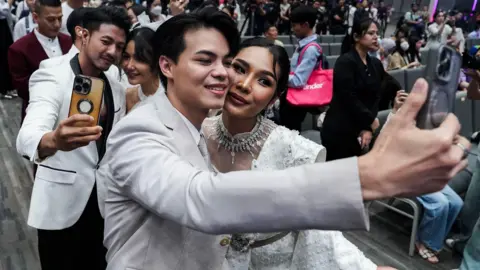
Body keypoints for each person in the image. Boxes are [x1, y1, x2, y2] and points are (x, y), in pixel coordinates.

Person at [103, 9, 470, 270]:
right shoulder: (141, 131)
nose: (224, 76)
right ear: (167, 65)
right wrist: (368, 175)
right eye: (205, 60)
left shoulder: (196, 127)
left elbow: (314, 235)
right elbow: (200, 198)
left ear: (277, 95)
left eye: (225, 62)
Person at [202, 37, 395, 270]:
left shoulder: (293, 151)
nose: (244, 84)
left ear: (274, 97)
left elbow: (318, 231)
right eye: (239, 69)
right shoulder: (194, 132)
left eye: (263, 81)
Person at [16, 6, 130, 270]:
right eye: (106, 41)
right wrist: (54, 140)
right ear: (83, 35)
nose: (113, 51)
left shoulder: (115, 84)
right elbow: (28, 135)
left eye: (119, 46)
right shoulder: (51, 75)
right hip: (60, 207)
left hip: (104, 207)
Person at [322, 18, 384, 160]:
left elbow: (376, 96)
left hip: (359, 128)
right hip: (340, 129)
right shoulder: (345, 61)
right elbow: (348, 97)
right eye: (370, 33)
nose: (376, 37)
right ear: (356, 37)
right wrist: (370, 120)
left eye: (377, 33)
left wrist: (367, 126)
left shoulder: (374, 63)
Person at [8, 0, 72, 122]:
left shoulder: (69, 42)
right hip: (38, 117)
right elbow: (23, 89)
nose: (57, 24)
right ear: (36, 18)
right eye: (51, 20)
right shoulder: (19, 49)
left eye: (59, 18)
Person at [279, 4, 319, 132]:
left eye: (294, 25)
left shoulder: (311, 49)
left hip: (296, 103)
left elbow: (298, 81)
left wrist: (279, 76)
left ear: (305, 25)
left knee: (290, 135)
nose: (292, 29)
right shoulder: (303, 45)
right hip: (291, 98)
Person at [122, 27, 163, 113]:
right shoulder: (127, 96)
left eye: (139, 59)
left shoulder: (174, 98)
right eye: (126, 57)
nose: (129, 66)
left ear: (157, 60)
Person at [0, 0, 15, 99]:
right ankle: (2, 90)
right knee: (2, 58)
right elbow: (3, 11)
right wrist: (10, 2)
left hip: (4, 26)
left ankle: (8, 88)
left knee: (7, 56)